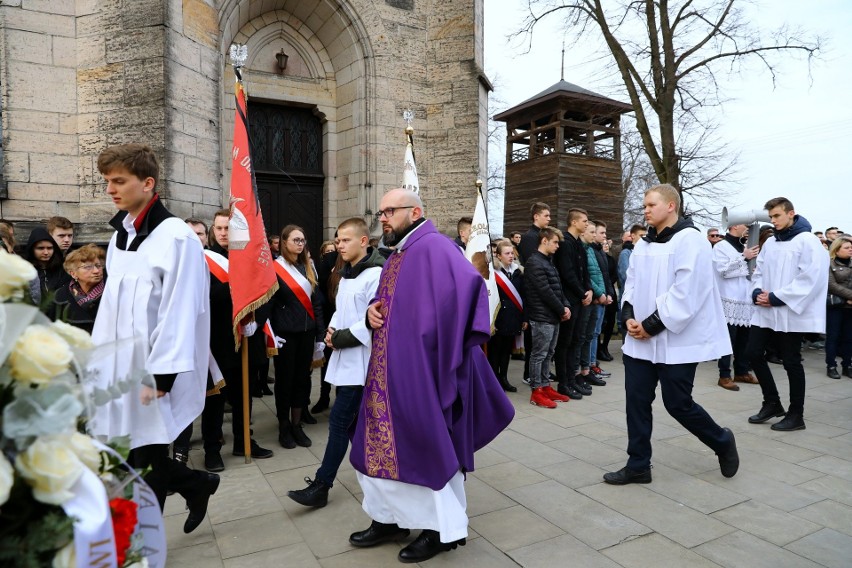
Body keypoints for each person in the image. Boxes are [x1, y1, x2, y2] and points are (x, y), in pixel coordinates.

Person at [348, 188, 514, 564]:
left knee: (427, 445)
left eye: (391, 210)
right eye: (382, 211)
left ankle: (442, 531)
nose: (384, 217)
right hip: (387, 371)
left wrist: (439, 347)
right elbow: (388, 303)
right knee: (373, 444)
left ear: (415, 211)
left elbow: (472, 291)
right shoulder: (399, 252)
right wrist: (372, 312)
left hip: (420, 371)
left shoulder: (436, 247)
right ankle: (387, 518)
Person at [89, 143, 216, 533]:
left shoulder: (176, 238)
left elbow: (181, 311)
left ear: (148, 183)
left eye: (119, 181)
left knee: (145, 455)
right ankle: (197, 484)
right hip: (118, 366)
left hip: (155, 369)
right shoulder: (118, 237)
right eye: (107, 181)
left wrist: (162, 377)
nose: (111, 189)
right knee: (129, 453)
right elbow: (113, 308)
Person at [605, 184, 738, 485]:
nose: (646, 210)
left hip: (676, 340)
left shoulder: (692, 241)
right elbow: (632, 284)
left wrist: (650, 325)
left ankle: (721, 441)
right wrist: (628, 317)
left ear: (671, 206)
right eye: (645, 205)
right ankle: (638, 464)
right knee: (636, 401)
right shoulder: (643, 244)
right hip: (639, 341)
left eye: (651, 205)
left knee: (678, 403)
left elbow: (687, 293)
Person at [287, 217, 385, 508]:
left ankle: (322, 484)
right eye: (338, 240)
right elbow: (341, 310)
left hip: (361, 364)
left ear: (364, 241)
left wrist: (339, 338)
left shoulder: (375, 274)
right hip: (345, 359)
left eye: (345, 240)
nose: (339, 245)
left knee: (340, 424)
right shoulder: (346, 273)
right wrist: (330, 331)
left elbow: (375, 322)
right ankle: (378, 475)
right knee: (355, 427)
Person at [744, 197, 829, 431]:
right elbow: (758, 270)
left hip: (790, 311)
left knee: (791, 361)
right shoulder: (771, 242)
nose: (773, 221)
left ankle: (796, 414)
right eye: (770, 217)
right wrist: (757, 292)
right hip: (765, 310)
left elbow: (812, 277)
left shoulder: (807, 241)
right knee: (752, 352)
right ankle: (772, 402)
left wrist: (776, 297)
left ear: (791, 213)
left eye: (777, 216)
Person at [271, 225, 325, 448]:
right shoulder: (275, 268)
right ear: (284, 242)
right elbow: (270, 305)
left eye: (302, 240)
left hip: (307, 333)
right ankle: (284, 426)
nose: (300, 244)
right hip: (285, 334)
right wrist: (272, 334)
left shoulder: (309, 266)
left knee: (302, 380)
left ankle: (296, 425)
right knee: (285, 381)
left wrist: (320, 334)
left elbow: (316, 303)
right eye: (295, 240)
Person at [523, 227, 572, 408]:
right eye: (555, 242)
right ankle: (537, 391)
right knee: (539, 354)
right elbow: (545, 291)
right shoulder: (535, 262)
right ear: (544, 241)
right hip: (542, 315)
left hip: (553, 315)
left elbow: (557, 287)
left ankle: (545, 385)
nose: (558, 246)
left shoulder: (547, 261)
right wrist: (561, 309)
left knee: (549, 353)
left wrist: (565, 305)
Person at [712, 223, 760, 390]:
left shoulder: (746, 245)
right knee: (728, 339)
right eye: (743, 224)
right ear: (733, 226)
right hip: (729, 298)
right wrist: (743, 257)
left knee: (744, 339)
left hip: (745, 298)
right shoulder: (721, 246)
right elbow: (722, 271)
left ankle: (742, 370)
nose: (747, 227)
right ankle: (724, 375)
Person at [489, 239, 527, 393]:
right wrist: (491, 320)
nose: (511, 256)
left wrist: (525, 318)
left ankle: (504, 378)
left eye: (512, 253)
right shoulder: (493, 273)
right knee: (495, 352)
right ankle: (493, 381)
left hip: (513, 317)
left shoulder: (518, 272)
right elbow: (489, 298)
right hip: (499, 318)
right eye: (507, 253)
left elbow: (524, 296)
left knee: (506, 352)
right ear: (498, 256)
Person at [51, 244, 106, 333]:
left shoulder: (113, 292)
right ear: (73, 274)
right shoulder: (59, 297)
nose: (96, 271)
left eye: (98, 265)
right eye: (87, 267)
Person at [24, 228, 70, 309]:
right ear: (32, 249)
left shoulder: (63, 269)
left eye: (49, 248)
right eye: (40, 248)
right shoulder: (26, 271)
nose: (46, 252)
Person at [826, 235, 852, 378]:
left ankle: (847, 365)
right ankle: (831, 365)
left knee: (849, 338)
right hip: (835, 306)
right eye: (847, 248)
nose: (850, 250)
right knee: (833, 336)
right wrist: (849, 297)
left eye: (851, 247)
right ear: (837, 250)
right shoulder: (829, 264)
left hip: (850, 307)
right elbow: (831, 285)